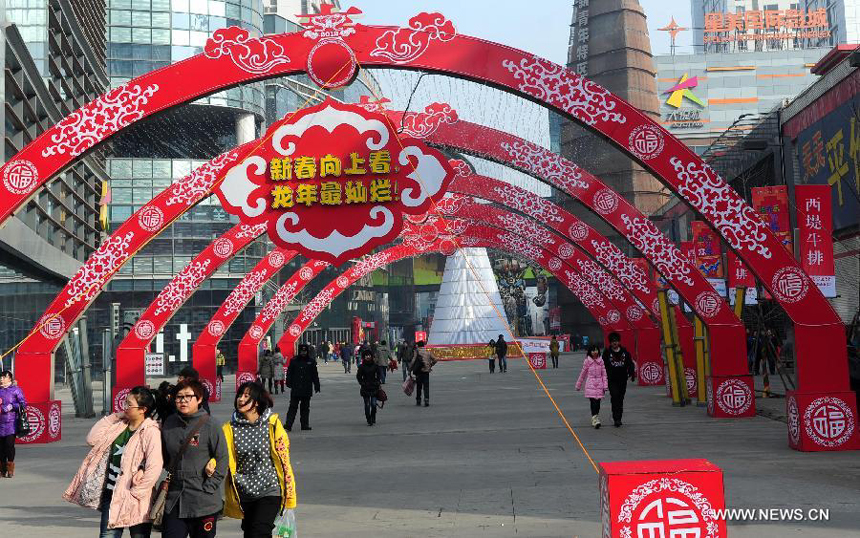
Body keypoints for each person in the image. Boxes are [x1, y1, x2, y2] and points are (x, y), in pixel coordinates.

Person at [64, 386, 163, 538]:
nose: (125, 407)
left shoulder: (150, 431)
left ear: (143, 409)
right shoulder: (119, 426)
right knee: (107, 535)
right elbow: (92, 439)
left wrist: (138, 492)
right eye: (125, 403)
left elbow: (154, 466)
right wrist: (115, 416)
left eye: (129, 405)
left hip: (136, 498)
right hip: (112, 495)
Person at [220, 381, 297, 538]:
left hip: (270, 489)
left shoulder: (272, 424)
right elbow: (220, 453)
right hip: (243, 491)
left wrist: (289, 492)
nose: (241, 399)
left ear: (257, 402)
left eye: (247, 396)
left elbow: (283, 460)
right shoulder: (229, 428)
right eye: (240, 395)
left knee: (260, 531)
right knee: (250, 532)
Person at [161, 378, 228, 537]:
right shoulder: (169, 423)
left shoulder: (211, 425)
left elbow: (222, 458)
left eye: (188, 396)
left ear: (199, 399)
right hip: (175, 498)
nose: (183, 401)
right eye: (179, 397)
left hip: (203, 500)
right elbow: (163, 457)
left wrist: (209, 487)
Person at [602, 332, 636, 427]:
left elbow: (630, 363)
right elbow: (603, 365)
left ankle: (619, 418)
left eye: (616, 341)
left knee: (620, 398)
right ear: (610, 343)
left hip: (622, 378)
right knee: (614, 396)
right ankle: (616, 418)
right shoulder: (607, 352)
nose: (614, 343)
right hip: (612, 379)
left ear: (619, 342)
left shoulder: (624, 352)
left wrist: (632, 373)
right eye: (613, 341)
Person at [284, 343, 320, 431]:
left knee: (305, 408)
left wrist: (317, 385)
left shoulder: (311, 361)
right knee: (293, 407)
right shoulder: (294, 360)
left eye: (305, 351)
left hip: (306, 388)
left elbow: (314, 375)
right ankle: (288, 424)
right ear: (299, 351)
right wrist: (288, 382)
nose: (303, 353)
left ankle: (305, 425)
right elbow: (289, 373)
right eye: (302, 351)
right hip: (296, 388)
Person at [0, 370, 26, 478]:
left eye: (4, 377)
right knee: (0, 448)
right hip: (0, 423)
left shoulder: (16, 390)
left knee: (9, 446)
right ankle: (2, 469)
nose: (1, 379)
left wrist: (12, 406)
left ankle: (10, 468)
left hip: (11, 423)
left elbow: (23, 404)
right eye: (1, 377)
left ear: (10, 378)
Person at [576, 346, 608, 429]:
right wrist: (578, 385)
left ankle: (595, 417)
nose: (595, 352)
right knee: (593, 402)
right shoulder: (587, 361)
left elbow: (604, 374)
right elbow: (583, 374)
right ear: (590, 352)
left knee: (598, 403)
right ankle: (595, 419)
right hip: (590, 384)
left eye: (596, 350)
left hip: (600, 384)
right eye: (593, 350)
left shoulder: (601, 361)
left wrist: (605, 385)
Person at [356, 349, 382, 426]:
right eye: (366, 355)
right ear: (364, 357)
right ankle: (368, 419)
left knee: (373, 404)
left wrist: (378, 381)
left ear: (371, 356)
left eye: (369, 355)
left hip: (374, 386)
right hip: (365, 387)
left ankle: (373, 416)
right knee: (367, 405)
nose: (368, 357)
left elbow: (379, 374)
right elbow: (358, 376)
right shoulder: (361, 367)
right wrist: (362, 383)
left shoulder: (375, 366)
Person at [411, 341, 438, 407]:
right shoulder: (428, 352)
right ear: (423, 345)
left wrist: (410, 369)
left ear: (418, 345)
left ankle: (418, 400)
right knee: (426, 386)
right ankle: (426, 399)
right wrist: (430, 365)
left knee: (419, 386)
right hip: (426, 371)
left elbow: (413, 361)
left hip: (419, 371)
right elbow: (435, 359)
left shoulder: (417, 351)